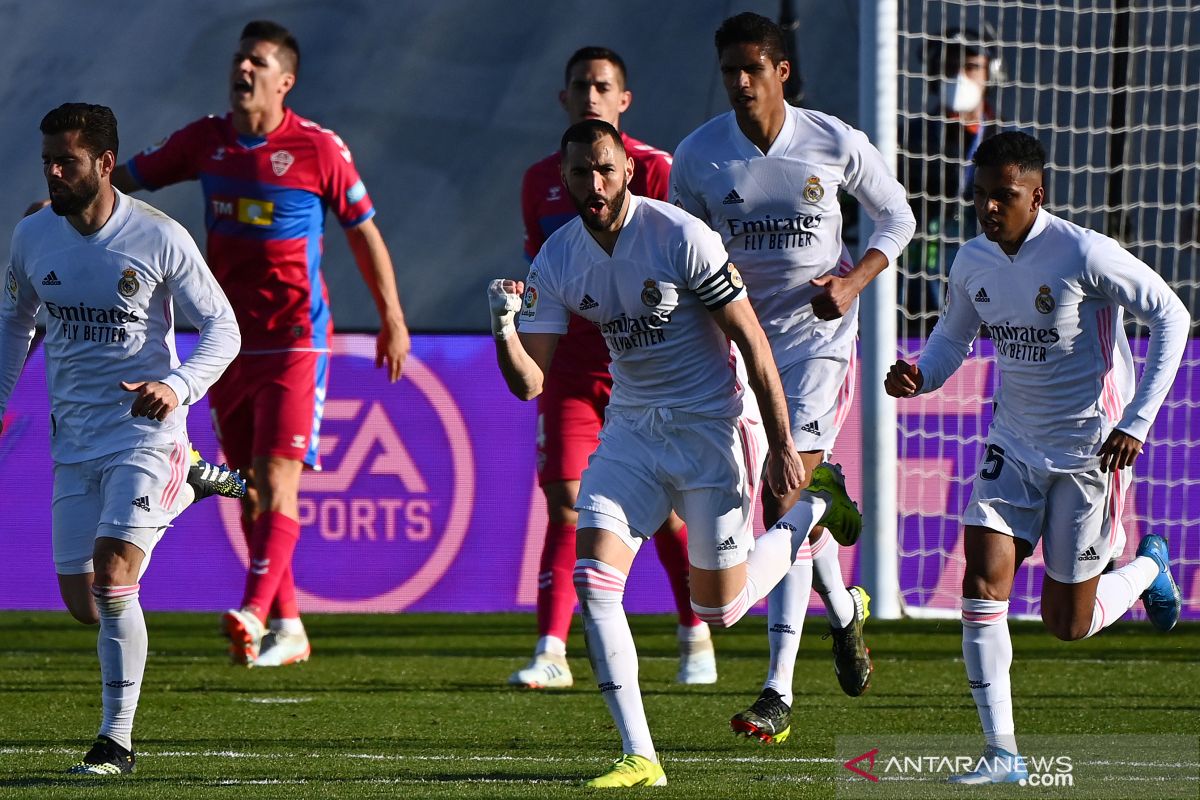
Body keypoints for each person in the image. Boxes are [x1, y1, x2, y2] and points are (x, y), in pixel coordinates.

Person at [489, 119, 860, 788]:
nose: (593, 184)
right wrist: (503, 328)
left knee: (720, 610)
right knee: (594, 578)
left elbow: (751, 340)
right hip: (632, 432)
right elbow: (531, 383)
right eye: (580, 173)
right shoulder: (559, 256)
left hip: (712, 429)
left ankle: (814, 507)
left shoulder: (680, 235)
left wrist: (780, 444)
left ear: (627, 169)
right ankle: (641, 757)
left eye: (604, 169)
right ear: (565, 180)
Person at [885, 131, 1188, 784]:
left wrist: (1137, 421)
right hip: (1014, 443)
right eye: (981, 197)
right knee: (982, 576)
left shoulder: (1082, 252)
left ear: (1036, 195)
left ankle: (1146, 568)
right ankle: (1003, 754)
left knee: (1067, 624)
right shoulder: (971, 261)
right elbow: (952, 339)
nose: (990, 209)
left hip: (1090, 452)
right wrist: (922, 375)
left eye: (1004, 197)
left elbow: (1173, 315)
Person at [112, 20, 411, 668]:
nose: (242, 70)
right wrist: (68, 203)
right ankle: (291, 625)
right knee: (251, 488)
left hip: (297, 339)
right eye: (239, 60)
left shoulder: (318, 148)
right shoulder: (204, 141)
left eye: (257, 62)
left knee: (278, 481)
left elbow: (364, 233)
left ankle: (251, 610)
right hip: (228, 342)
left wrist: (392, 314)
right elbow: (127, 181)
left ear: (285, 81)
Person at [671, 11, 916, 743]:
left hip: (819, 346)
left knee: (785, 490)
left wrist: (854, 281)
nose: (739, 83)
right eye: (728, 72)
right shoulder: (699, 156)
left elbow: (897, 218)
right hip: (740, 348)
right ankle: (845, 613)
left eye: (752, 68)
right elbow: (684, 252)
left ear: (782, 71)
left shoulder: (834, 139)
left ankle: (776, 691)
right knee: (785, 509)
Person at [0, 103, 243, 775]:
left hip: (146, 433)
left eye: (66, 161)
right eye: (47, 159)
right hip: (72, 441)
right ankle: (193, 483)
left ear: (106, 164)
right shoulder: (32, 234)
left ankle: (116, 741)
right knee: (83, 605)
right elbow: (15, 320)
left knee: (113, 581)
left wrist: (180, 385)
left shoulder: (158, 237)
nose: (52, 172)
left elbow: (224, 329)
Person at [512, 46, 715, 690]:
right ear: (563, 98)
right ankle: (551, 649)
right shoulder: (538, 182)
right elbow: (548, 274)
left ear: (624, 102)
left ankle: (695, 631)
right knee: (568, 502)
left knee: (671, 514)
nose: (591, 95)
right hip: (573, 368)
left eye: (603, 86)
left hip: (654, 371)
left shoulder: (657, 171)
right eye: (580, 86)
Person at [900, 25, 1004, 324]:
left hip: (991, 279)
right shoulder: (911, 138)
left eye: (971, 67)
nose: (959, 76)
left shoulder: (1009, 140)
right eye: (949, 67)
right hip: (923, 282)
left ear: (991, 74)